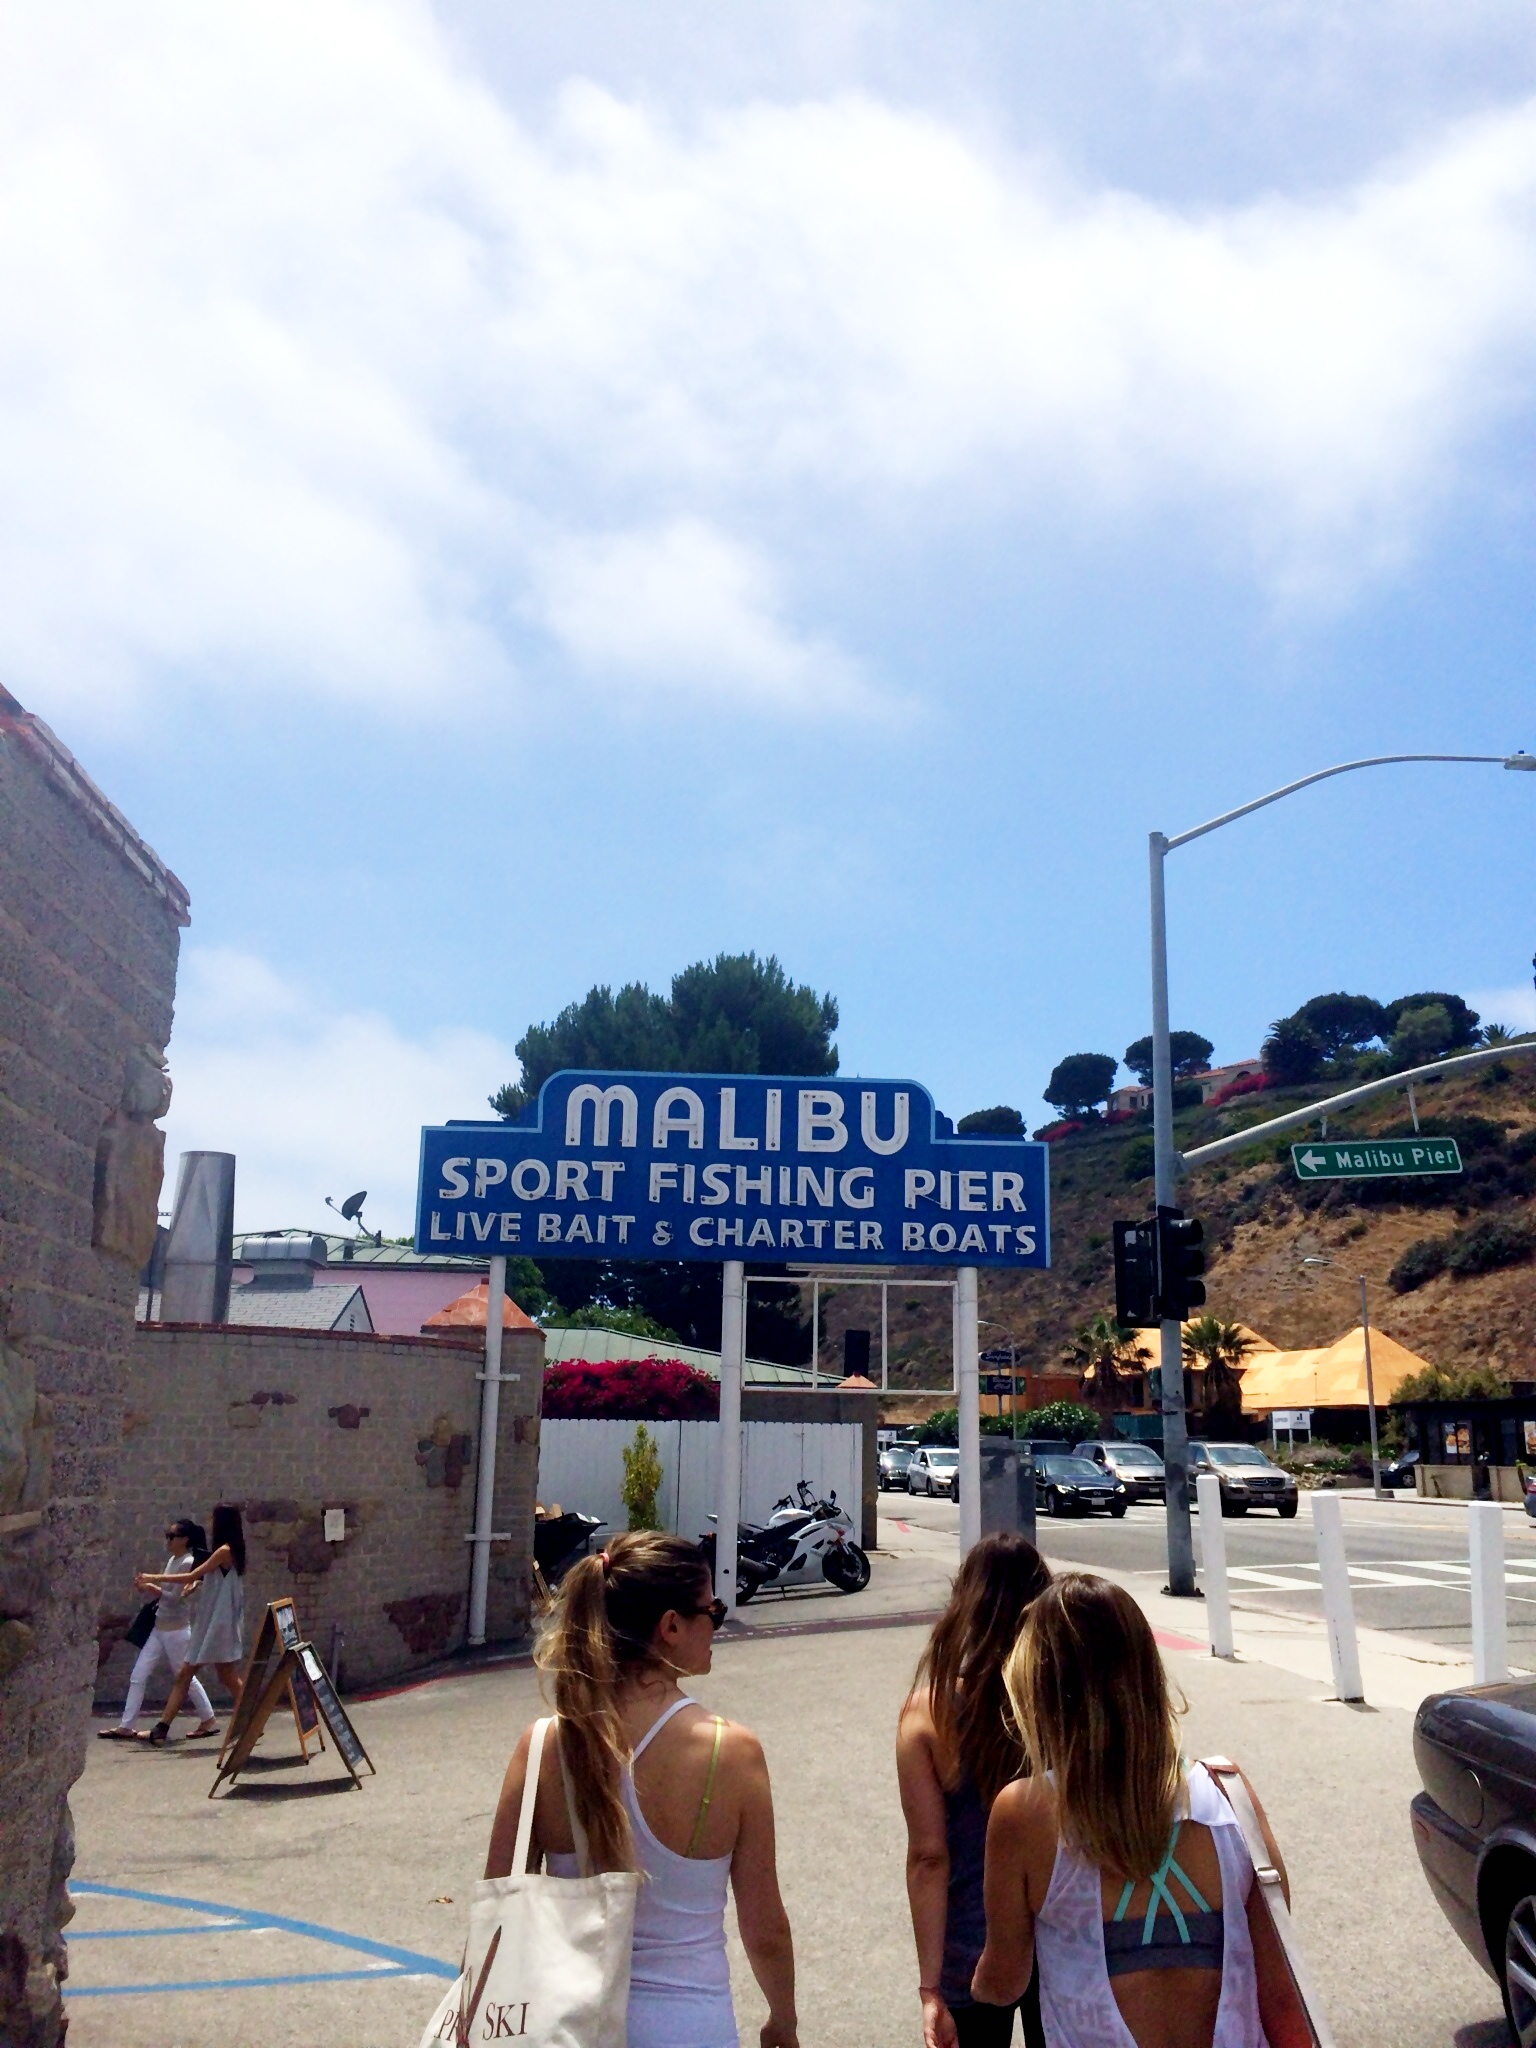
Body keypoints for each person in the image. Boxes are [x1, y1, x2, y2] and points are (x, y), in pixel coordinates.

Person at [483, 1530, 798, 2048]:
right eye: (713, 1611)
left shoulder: (543, 1747)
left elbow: (495, 1907)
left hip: (567, 2027)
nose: (717, 1625)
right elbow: (764, 1927)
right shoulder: (729, 1752)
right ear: (671, 1626)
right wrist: (783, 2018)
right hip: (690, 2027)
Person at [972, 1573, 1294, 2048]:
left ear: (1039, 1693)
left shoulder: (1026, 1812)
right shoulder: (1229, 1795)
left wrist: (962, 1984)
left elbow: (1005, 1982)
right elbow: (1281, 1980)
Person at [897, 1532, 1052, 2048]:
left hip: (970, 1947)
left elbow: (928, 1858)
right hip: (1061, 1939)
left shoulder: (928, 1712)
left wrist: (930, 1988)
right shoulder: (1062, 1703)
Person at [138, 1504, 248, 1745]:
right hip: (217, 1621)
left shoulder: (224, 1551)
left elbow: (191, 1575)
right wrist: (197, 1584)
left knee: (195, 1674)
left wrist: (153, 1577)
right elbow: (208, 1578)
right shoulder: (231, 1551)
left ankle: (162, 1728)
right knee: (218, 1676)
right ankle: (251, 1719)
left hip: (217, 1623)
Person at [99, 1518, 218, 1740]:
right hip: (160, 1627)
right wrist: (149, 1587)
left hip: (176, 1631)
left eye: (172, 1536)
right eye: (167, 1536)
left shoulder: (187, 1562)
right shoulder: (173, 1559)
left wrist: (151, 1587)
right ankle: (126, 1725)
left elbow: (175, 1598)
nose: (168, 1540)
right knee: (138, 1675)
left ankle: (208, 1719)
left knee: (185, 1678)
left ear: (184, 1539)